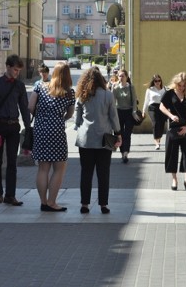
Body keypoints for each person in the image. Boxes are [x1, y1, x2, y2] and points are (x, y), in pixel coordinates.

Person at [0, 54, 31, 206]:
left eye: (19, 71)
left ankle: (10, 195)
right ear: (8, 67)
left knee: (12, 161)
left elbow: (24, 107)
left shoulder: (20, 85)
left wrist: (28, 127)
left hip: (13, 126)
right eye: (15, 70)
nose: (17, 73)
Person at [28, 62, 75, 212]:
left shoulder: (40, 86)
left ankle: (43, 202)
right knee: (59, 168)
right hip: (57, 131)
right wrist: (59, 117)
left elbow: (30, 107)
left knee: (43, 168)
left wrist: (41, 116)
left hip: (40, 129)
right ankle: (52, 202)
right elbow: (70, 113)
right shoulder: (69, 92)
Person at [74, 67, 121, 214]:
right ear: (101, 79)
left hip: (85, 139)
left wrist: (79, 125)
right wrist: (118, 133)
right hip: (104, 139)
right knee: (103, 173)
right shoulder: (108, 95)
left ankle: (85, 204)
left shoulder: (82, 95)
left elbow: (77, 118)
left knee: (86, 173)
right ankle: (103, 205)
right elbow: (113, 116)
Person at [159, 72, 186, 191]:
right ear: (175, 83)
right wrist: (170, 116)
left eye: (184, 85)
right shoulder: (169, 94)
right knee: (172, 154)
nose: (182, 87)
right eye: (180, 85)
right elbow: (161, 107)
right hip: (173, 128)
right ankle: (174, 180)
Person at [111, 69, 138, 164]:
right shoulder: (115, 87)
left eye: (123, 76)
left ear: (127, 77)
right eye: (119, 76)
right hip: (118, 112)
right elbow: (112, 102)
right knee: (119, 134)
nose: (121, 78)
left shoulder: (131, 87)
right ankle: (122, 152)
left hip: (129, 113)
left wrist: (134, 112)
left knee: (127, 134)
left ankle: (126, 152)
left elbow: (134, 100)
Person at [142, 74, 167, 150]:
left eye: (159, 80)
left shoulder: (164, 89)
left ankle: (158, 139)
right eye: (156, 81)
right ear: (153, 81)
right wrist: (143, 111)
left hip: (162, 108)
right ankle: (157, 143)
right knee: (155, 123)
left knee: (161, 124)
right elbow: (146, 101)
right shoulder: (150, 89)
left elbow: (167, 100)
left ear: (161, 81)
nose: (157, 82)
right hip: (152, 108)